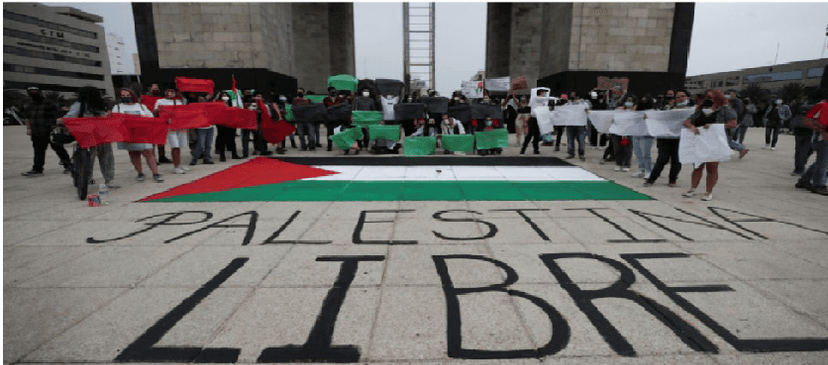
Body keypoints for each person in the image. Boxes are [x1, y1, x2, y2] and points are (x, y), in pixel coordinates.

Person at [681, 89, 737, 201]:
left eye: (710, 97)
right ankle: (693, 189)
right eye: (706, 96)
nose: (708, 99)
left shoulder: (726, 110)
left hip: (714, 142)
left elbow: (733, 124)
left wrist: (714, 126)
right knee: (697, 166)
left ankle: (708, 191)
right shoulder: (700, 109)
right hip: (699, 141)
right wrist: (692, 127)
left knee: (712, 168)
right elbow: (687, 121)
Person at [57, 86, 117, 187]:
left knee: (90, 159)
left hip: (86, 136)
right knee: (106, 158)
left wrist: (61, 120)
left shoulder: (78, 105)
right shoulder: (98, 104)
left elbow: (69, 117)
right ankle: (108, 180)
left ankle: (86, 179)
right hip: (101, 136)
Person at [113, 88, 163, 182]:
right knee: (134, 154)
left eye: (127, 95)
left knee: (149, 153)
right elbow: (115, 119)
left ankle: (155, 173)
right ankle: (140, 173)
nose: (125, 97)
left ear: (132, 95)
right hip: (128, 135)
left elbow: (150, 117)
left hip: (143, 133)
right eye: (123, 96)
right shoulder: (117, 107)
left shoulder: (141, 106)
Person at [20, 87, 73, 177]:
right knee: (38, 150)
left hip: (50, 131)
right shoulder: (29, 105)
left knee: (58, 148)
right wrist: (29, 128)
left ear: (40, 93)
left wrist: (58, 128)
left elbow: (58, 116)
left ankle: (69, 166)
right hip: (37, 131)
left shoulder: (49, 104)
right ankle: (37, 169)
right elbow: (28, 117)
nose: (33, 94)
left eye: (35, 92)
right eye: (31, 93)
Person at [645, 90, 692, 187]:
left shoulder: (691, 110)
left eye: (682, 96)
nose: (680, 98)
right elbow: (660, 118)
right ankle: (652, 179)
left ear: (687, 97)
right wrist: (650, 117)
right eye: (678, 97)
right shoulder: (668, 108)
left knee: (677, 160)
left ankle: (672, 180)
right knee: (662, 159)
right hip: (665, 137)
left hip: (680, 138)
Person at [796, 89, 828, 195]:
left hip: (821, 137)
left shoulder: (822, 105)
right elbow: (808, 120)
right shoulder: (823, 106)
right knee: (823, 162)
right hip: (823, 138)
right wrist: (822, 130)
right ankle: (819, 184)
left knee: (821, 161)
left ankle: (804, 180)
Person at [153, 88, 190, 173]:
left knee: (179, 146)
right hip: (169, 127)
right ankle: (176, 167)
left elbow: (183, 112)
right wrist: (159, 111)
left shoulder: (178, 102)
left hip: (180, 126)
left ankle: (179, 164)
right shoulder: (160, 101)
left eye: (172, 91)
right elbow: (155, 113)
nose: (170, 93)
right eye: (168, 91)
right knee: (175, 146)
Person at [521, 88, 552, 155]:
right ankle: (523, 148)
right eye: (542, 93)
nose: (543, 95)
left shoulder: (543, 101)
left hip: (539, 119)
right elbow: (541, 98)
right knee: (530, 134)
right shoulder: (534, 99)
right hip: (533, 119)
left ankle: (536, 149)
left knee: (537, 135)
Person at [213, 92, 243, 161]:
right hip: (222, 125)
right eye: (223, 95)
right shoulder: (217, 104)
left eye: (225, 95)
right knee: (222, 140)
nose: (224, 96)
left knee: (232, 139)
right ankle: (222, 156)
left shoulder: (231, 104)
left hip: (231, 124)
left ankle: (234, 154)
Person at [631, 95, 656, 178]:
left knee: (646, 153)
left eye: (646, 100)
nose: (644, 102)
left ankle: (649, 171)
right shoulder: (636, 111)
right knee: (638, 153)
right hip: (636, 133)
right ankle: (642, 170)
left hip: (647, 134)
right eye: (643, 100)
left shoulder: (654, 111)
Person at [612, 94, 637, 172]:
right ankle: (618, 164)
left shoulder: (636, 110)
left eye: (630, 101)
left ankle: (627, 164)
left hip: (629, 131)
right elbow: (614, 118)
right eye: (627, 100)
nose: (629, 102)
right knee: (618, 149)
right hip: (618, 131)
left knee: (627, 149)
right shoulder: (619, 109)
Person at [565, 93, 590, 161]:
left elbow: (588, 113)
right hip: (570, 124)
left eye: (574, 95)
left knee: (581, 140)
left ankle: (581, 154)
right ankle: (570, 153)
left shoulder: (584, 104)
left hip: (580, 125)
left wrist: (587, 111)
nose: (572, 96)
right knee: (570, 140)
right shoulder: (568, 104)